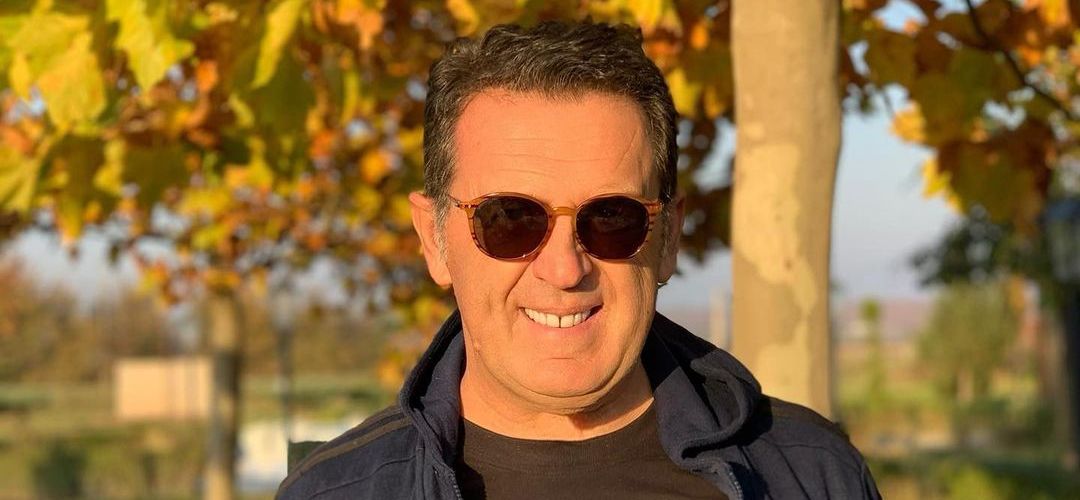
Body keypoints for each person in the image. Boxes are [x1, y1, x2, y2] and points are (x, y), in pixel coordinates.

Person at [277, 20, 880, 500]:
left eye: (611, 218)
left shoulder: (813, 476)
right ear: (434, 239)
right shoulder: (335, 492)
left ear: (669, 236)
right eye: (510, 218)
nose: (565, 270)